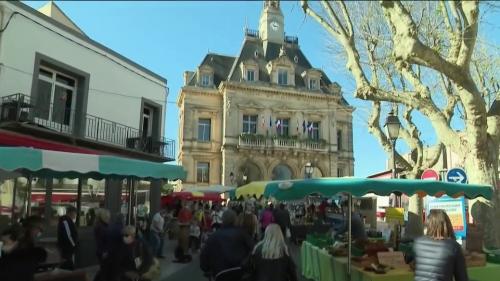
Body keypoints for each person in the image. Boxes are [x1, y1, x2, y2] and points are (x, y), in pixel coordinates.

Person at [413, 209, 468, 281]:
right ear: (447, 225)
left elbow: (413, 264)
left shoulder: (418, 242)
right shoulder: (453, 247)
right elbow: (462, 278)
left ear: (428, 225)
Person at [200, 209, 254, 279]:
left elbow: (204, 257)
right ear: (235, 220)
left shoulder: (213, 236)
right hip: (240, 271)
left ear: (222, 220)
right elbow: (253, 250)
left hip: (220, 273)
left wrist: (207, 268)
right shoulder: (242, 234)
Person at [57, 206, 78, 270]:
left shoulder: (68, 221)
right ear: (71, 213)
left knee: (67, 264)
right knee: (67, 264)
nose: (75, 215)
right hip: (67, 248)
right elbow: (68, 235)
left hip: (68, 248)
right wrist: (74, 244)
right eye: (75, 213)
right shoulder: (66, 221)